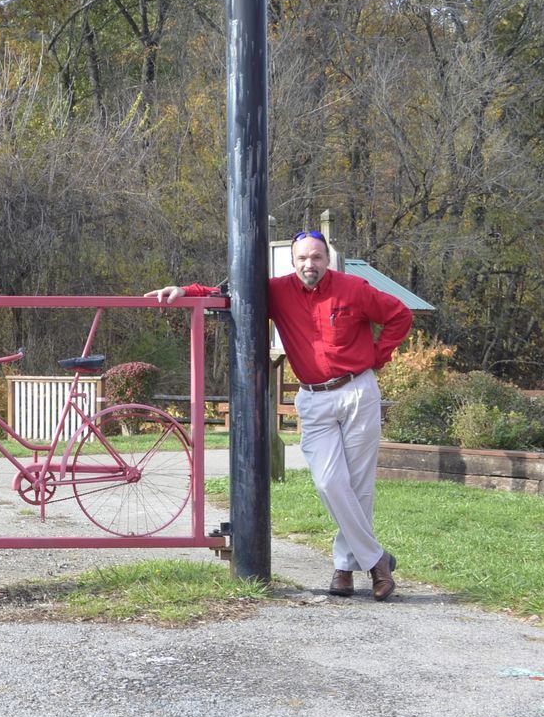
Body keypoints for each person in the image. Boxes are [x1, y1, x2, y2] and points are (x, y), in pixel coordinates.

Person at [147, 232, 414, 601]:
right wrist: (184, 291)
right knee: (329, 483)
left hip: (357, 392)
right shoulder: (276, 291)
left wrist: (377, 358)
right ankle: (377, 560)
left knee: (358, 486)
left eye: (317, 257)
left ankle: (343, 567)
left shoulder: (354, 288)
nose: (310, 265)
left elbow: (400, 315)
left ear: (327, 260)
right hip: (314, 398)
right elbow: (225, 292)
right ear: (293, 261)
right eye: (303, 258)